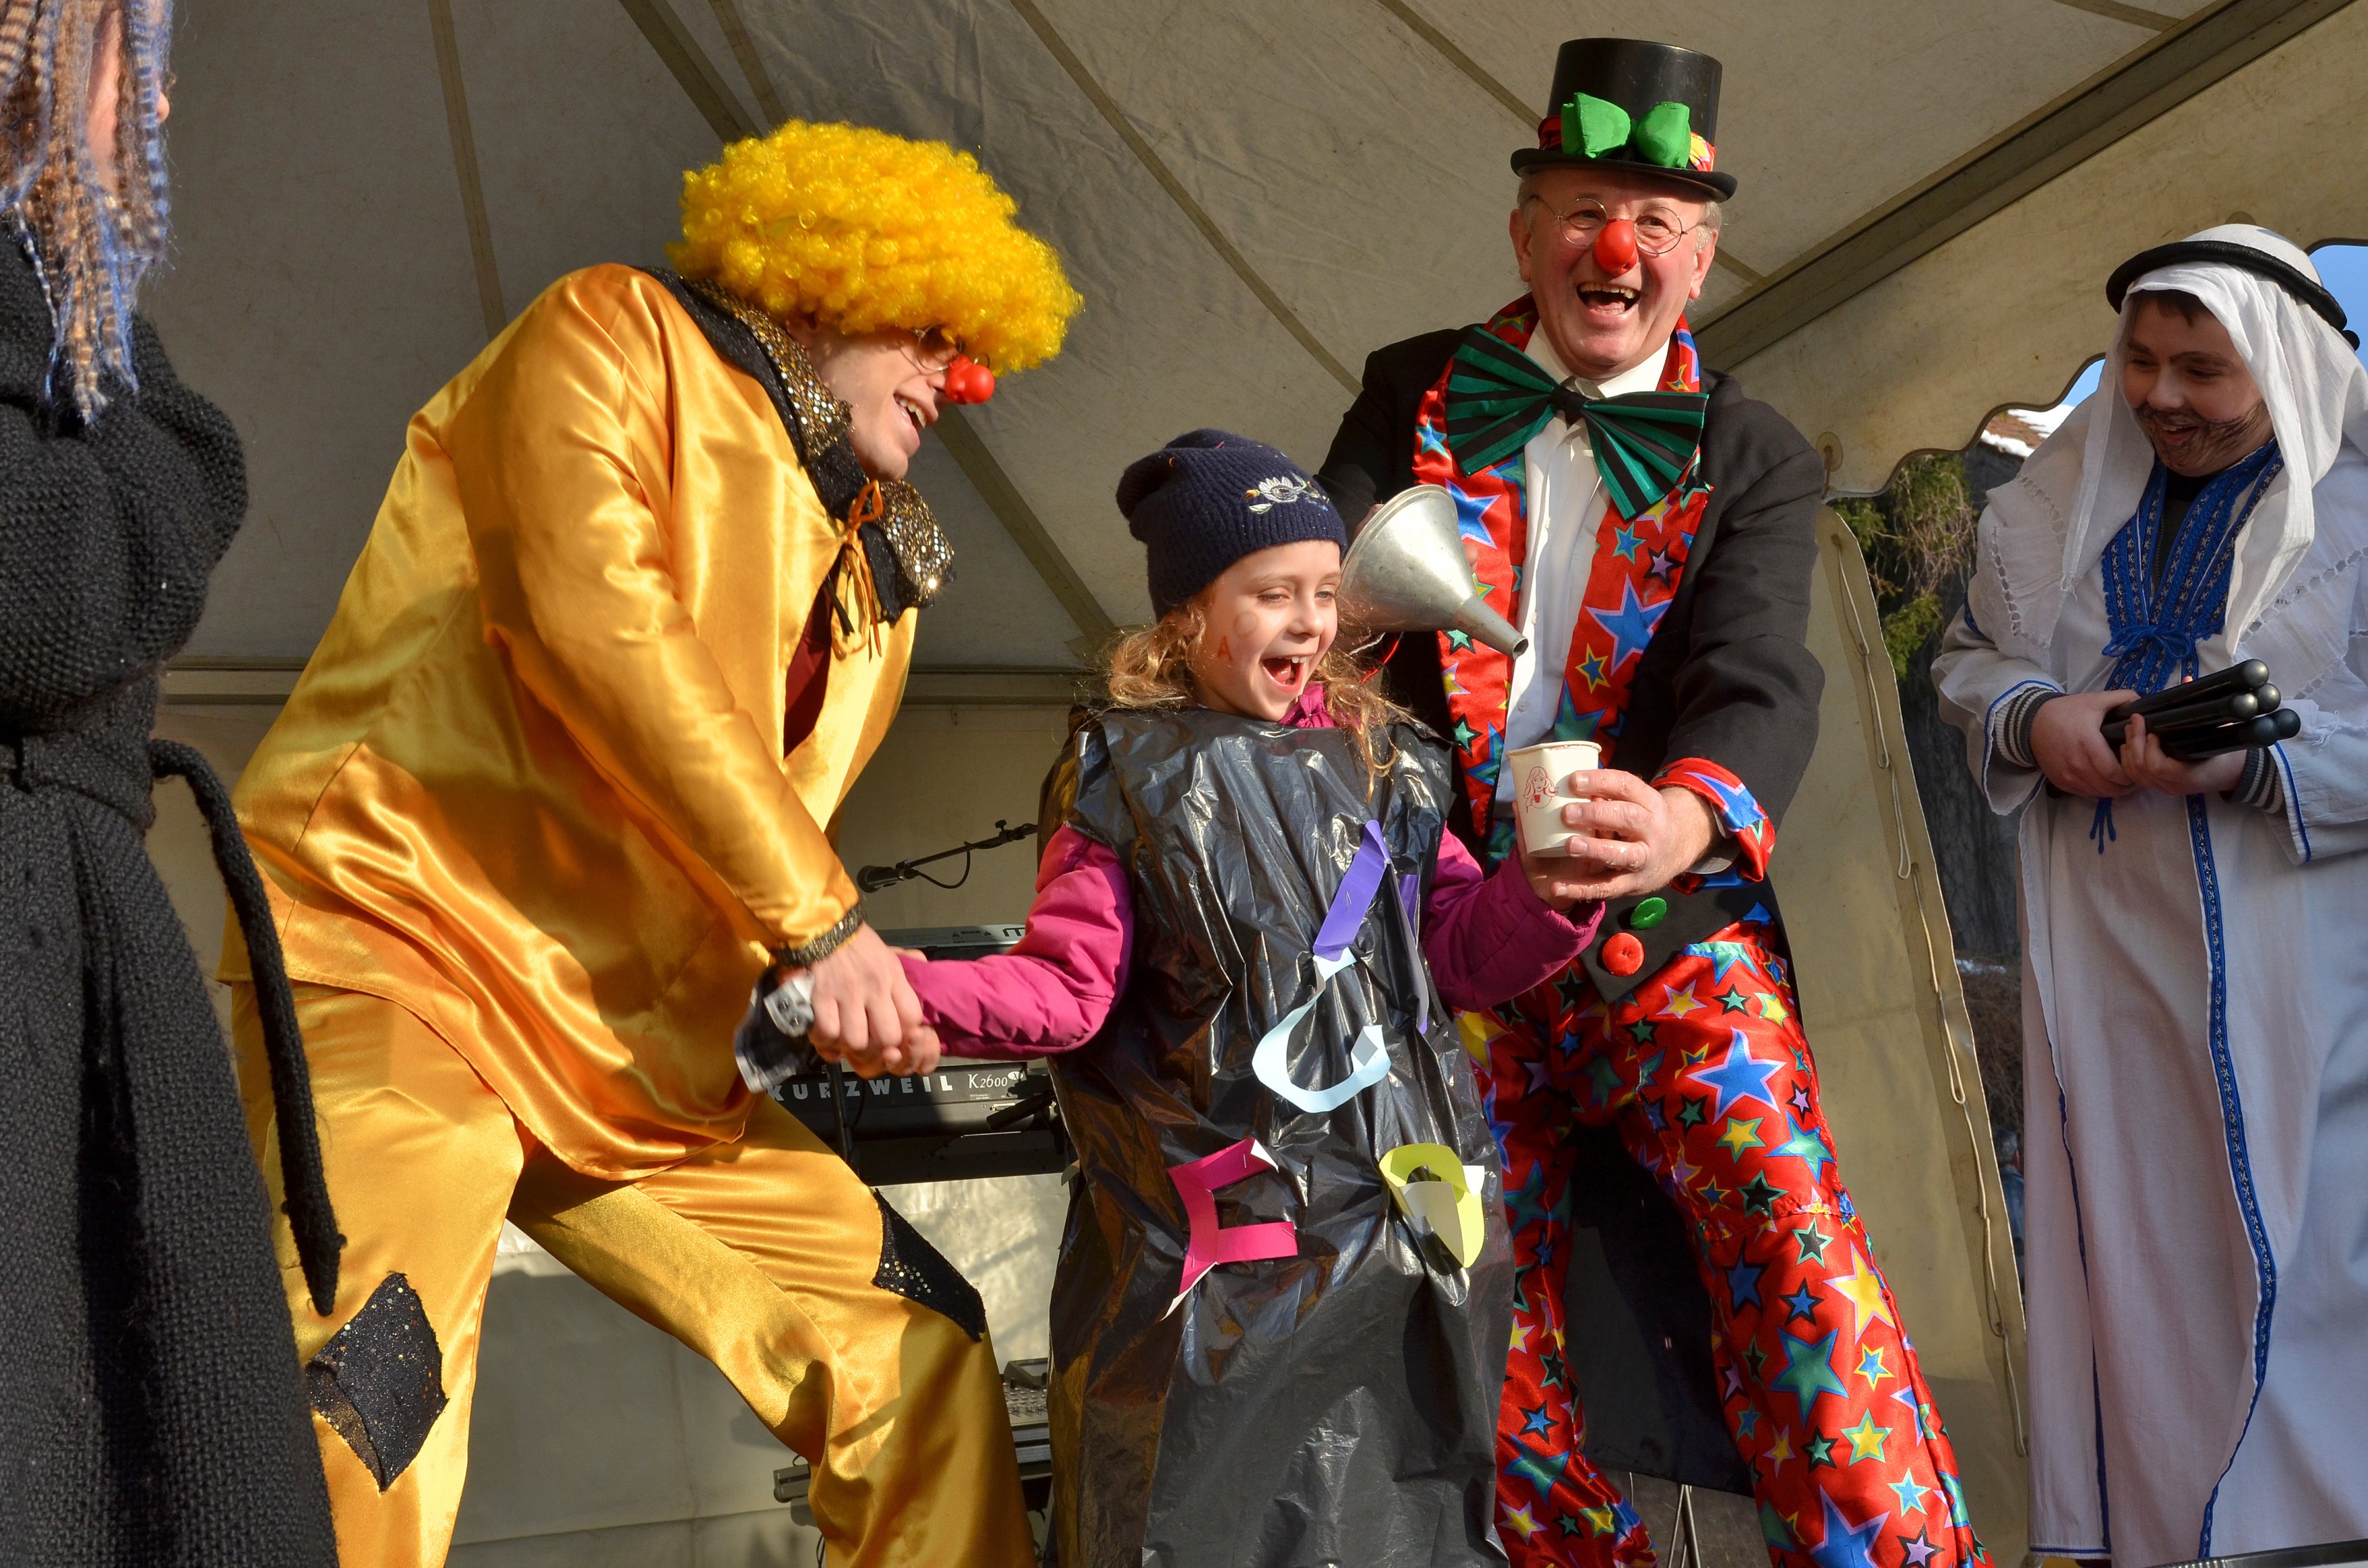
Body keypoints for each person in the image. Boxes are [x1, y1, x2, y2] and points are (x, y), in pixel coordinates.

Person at [223, 120, 1079, 1567]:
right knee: (372, 1392)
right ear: (825, 283)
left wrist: (815, 989)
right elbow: (593, 618)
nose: (965, 381)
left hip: (628, 1056)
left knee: (917, 1349)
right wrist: (823, 925)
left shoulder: (878, 566)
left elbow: (739, 821)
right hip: (405, 950)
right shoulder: (613, 333)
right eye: (932, 334)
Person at [1318, 37, 1988, 1567]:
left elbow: (1763, 674)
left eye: (1653, 224)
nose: (1613, 252)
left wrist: (1685, 818)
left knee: (1789, 1224)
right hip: (1439, 944)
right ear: (1523, 234)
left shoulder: (1753, 451)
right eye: (1581, 212)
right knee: (1448, 1277)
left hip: (1663, 932)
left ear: (1700, 257)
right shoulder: (1410, 389)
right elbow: (1319, 598)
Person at [878, 429, 1599, 1567]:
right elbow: (1066, 988)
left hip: (1408, 1254)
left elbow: (1456, 953)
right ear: (1186, 617)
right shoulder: (1130, 774)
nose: (1311, 622)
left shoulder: (1390, 765)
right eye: (1273, 593)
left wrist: (1551, 893)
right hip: (1222, 1289)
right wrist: (897, 992)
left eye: (1326, 591)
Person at [1932, 225, 2368, 1563]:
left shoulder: (2360, 519)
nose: (2162, 396)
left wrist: (2254, 759)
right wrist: (2033, 717)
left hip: (2314, 999)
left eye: (2203, 370)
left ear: (2283, 369)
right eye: (2140, 361)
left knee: (2315, 1284)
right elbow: (1970, 662)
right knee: (2134, 1275)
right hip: (2107, 982)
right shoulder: (2057, 506)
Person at [0, 2, 342, 1563]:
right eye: (126, 50)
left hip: (67, 946)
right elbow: (46, 590)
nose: (158, 96)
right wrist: (169, 449)